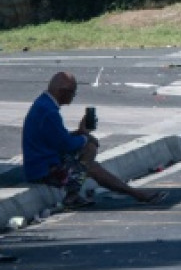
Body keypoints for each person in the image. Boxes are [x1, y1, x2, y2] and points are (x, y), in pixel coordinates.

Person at [22, 72, 166, 208]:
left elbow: (55, 139)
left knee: (90, 162)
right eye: (72, 93)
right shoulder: (49, 112)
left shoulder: (43, 105)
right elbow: (66, 145)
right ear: (62, 91)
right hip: (44, 169)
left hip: (42, 162)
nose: (73, 97)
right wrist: (84, 137)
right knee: (89, 153)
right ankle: (134, 194)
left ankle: (136, 194)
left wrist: (80, 133)